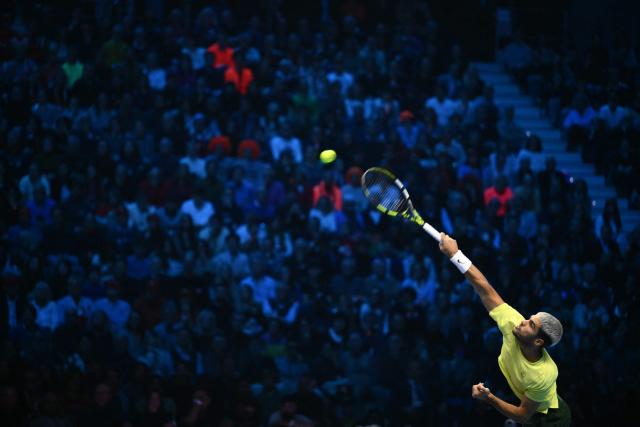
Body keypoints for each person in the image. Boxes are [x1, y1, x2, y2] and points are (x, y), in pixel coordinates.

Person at [438, 233, 571, 426]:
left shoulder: (544, 373)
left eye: (531, 324)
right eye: (529, 318)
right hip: (527, 405)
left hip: (552, 419)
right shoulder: (514, 324)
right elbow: (484, 288)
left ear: (538, 341)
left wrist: (489, 398)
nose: (523, 322)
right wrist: (456, 254)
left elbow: (523, 416)